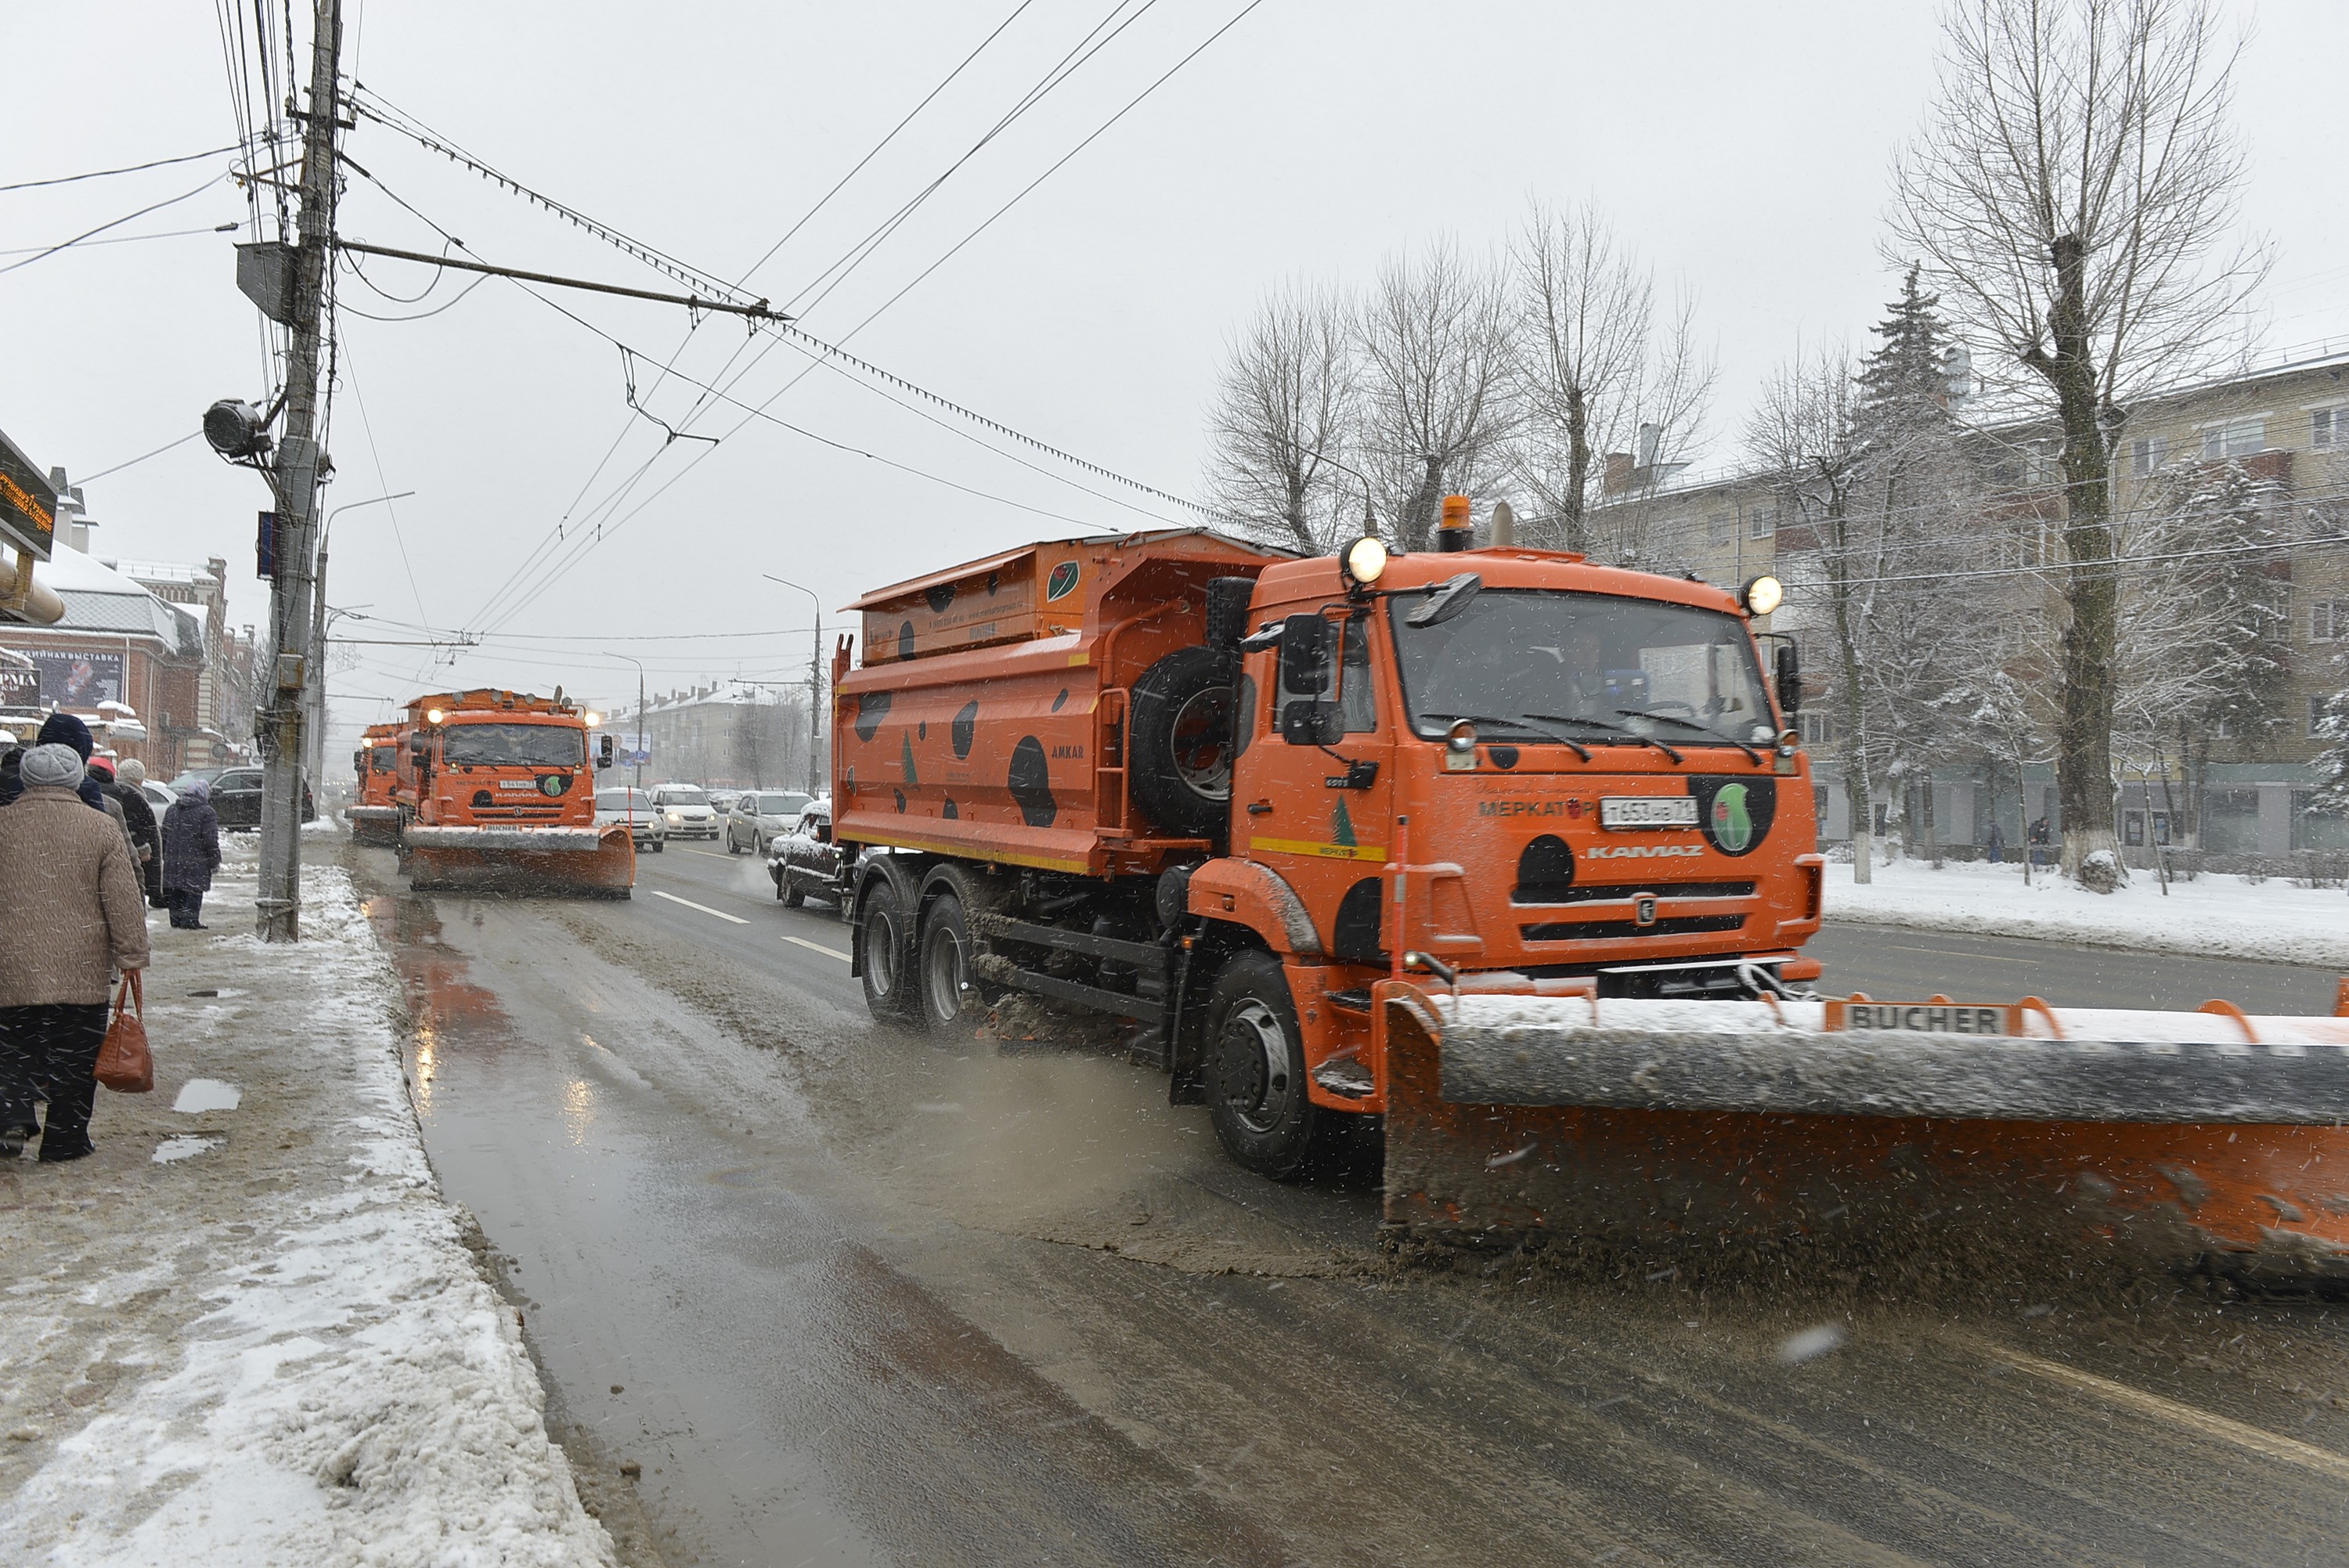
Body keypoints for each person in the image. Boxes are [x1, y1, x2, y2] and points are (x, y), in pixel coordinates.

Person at [0, 744, 150, 1161]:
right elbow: (121, 900)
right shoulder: (99, 827)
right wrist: (132, 956)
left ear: (27, 780)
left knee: (12, 1046)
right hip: (80, 966)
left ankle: (12, 1113)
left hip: (10, 963)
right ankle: (66, 1140)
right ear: (74, 779)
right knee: (76, 1057)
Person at [96, 758, 164, 907]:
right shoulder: (130, 795)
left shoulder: (124, 792)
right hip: (134, 857)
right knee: (132, 897)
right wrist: (142, 848)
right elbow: (131, 826)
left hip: (127, 855)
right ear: (139, 778)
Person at [162, 777, 222, 929]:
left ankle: (176, 919)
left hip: (174, 857)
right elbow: (210, 839)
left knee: (176, 888)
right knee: (194, 889)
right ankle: (190, 920)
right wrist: (215, 859)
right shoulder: (206, 812)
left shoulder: (173, 809)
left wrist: (166, 854)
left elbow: (164, 834)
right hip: (196, 858)